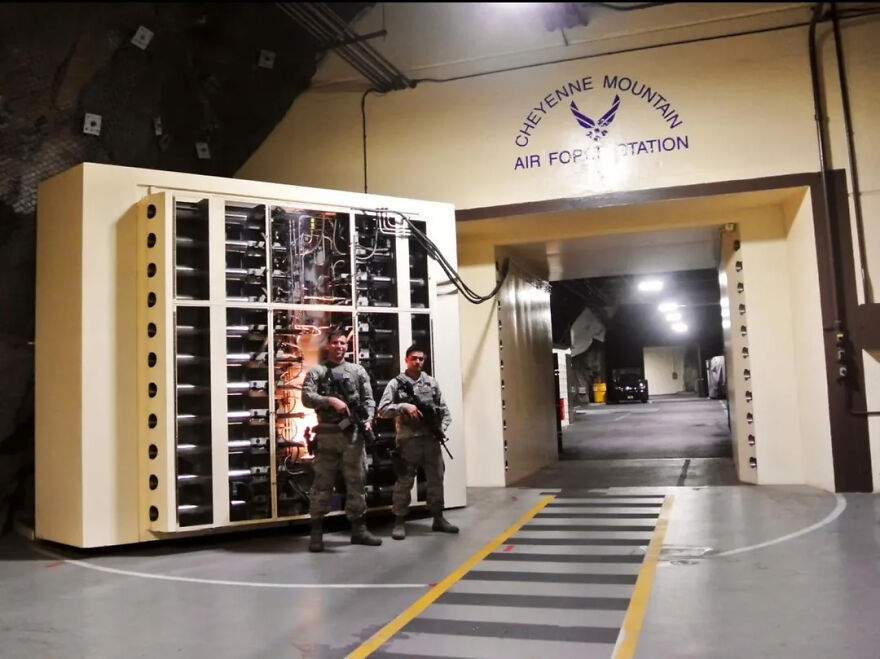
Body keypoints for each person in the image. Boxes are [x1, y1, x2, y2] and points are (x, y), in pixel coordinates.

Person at [302, 330, 382, 552]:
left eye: (342, 343)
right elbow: (307, 398)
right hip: (327, 436)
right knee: (322, 485)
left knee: (357, 482)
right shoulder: (317, 371)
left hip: (353, 436)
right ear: (328, 346)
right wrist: (330, 400)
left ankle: (359, 529)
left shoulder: (357, 371)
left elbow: (368, 400)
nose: (339, 346)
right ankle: (316, 533)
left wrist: (367, 420)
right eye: (335, 343)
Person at [378, 345, 458, 540]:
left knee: (436, 479)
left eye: (421, 359)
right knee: (404, 481)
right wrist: (404, 406)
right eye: (414, 358)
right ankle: (399, 521)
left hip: (431, 441)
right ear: (406, 359)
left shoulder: (431, 383)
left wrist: (440, 429)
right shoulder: (396, 384)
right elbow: (382, 410)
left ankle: (438, 518)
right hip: (408, 442)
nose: (418, 362)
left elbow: (445, 412)